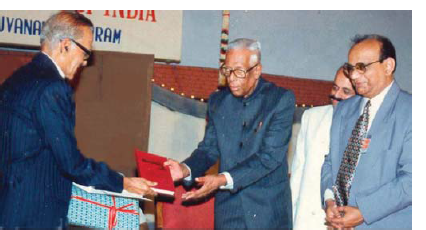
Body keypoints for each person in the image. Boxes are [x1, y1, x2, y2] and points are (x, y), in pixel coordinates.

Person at [0, 11, 156, 228]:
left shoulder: (16, 80)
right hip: (36, 215)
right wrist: (123, 183)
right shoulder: (52, 88)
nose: (84, 63)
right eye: (85, 54)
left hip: (11, 207)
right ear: (65, 45)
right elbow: (71, 163)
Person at [165, 38, 295, 229]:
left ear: (257, 70)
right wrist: (184, 169)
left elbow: (269, 157)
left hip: (267, 211)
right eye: (227, 70)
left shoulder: (280, 100)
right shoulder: (218, 101)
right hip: (228, 211)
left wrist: (221, 180)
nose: (231, 78)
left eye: (239, 71)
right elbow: (209, 149)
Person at [321, 34, 411, 229]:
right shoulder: (344, 109)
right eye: (350, 68)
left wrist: (364, 212)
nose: (353, 76)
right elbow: (331, 161)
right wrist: (329, 200)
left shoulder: (412, 111)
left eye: (361, 67)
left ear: (388, 66)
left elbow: (414, 180)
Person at [290, 66, 355, 230]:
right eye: (335, 87)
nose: (336, 95)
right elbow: (297, 174)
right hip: (306, 219)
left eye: (345, 91)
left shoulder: (364, 128)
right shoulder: (312, 117)